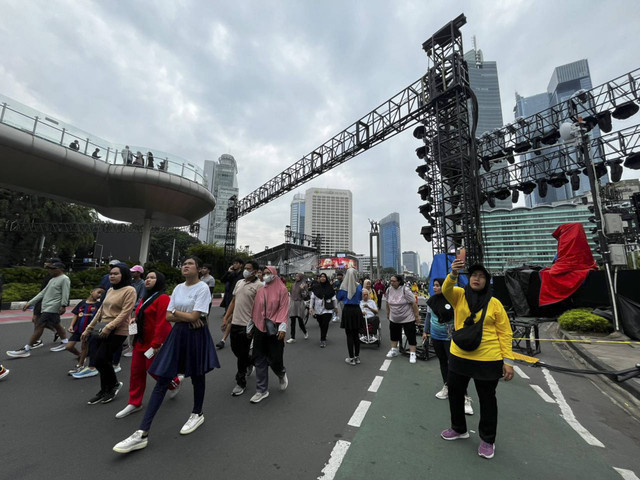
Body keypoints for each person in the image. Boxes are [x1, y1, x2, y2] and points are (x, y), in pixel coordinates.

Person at [113, 256, 219, 453]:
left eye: (190, 264)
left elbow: (196, 316)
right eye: (184, 263)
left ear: (198, 269)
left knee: (197, 375)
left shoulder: (203, 288)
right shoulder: (178, 288)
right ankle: (142, 432)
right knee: (163, 379)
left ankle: (197, 413)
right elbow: (169, 315)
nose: (185, 266)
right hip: (178, 333)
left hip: (196, 335)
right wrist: (186, 316)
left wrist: (183, 315)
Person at [440, 260, 514, 460]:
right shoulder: (459, 295)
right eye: (473, 275)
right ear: (469, 278)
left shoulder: (495, 303)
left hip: (488, 358)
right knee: (455, 393)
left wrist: (508, 360)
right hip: (459, 355)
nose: (476, 278)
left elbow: (505, 332)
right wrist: (453, 273)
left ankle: (488, 439)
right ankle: (459, 428)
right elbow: (446, 289)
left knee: (487, 400)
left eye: (481, 276)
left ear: (486, 280)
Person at [115, 271, 183, 419]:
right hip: (141, 341)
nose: (148, 280)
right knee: (136, 371)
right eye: (147, 278)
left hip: (155, 342)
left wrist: (156, 343)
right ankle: (135, 402)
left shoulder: (163, 298)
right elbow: (140, 313)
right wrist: (134, 320)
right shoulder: (145, 297)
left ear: (159, 281)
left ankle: (174, 382)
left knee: (153, 370)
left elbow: (162, 322)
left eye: (152, 278)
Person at [82, 264, 136, 405]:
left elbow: (125, 313)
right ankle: (104, 389)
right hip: (102, 328)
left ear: (123, 275)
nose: (112, 276)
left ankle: (114, 385)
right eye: (111, 273)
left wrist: (109, 327)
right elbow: (100, 311)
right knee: (100, 360)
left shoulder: (130, 290)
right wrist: (88, 328)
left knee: (101, 359)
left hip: (117, 330)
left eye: (116, 274)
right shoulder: (110, 290)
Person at [422, 278, 474, 414]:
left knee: (455, 366)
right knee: (443, 363)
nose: (435, 288)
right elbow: (428, 317)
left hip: (450, 338)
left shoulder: (453, 299)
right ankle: (447, 386)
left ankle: (465, 397)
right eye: (434, 286)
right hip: (436, 336)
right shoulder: (431, 300)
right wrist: (425, 332)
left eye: (438, 286)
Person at [7, 262, 70, 358]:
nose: (50, 271)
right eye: (49, 269)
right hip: (46, 306)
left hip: (52, 307)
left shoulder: (65, 279)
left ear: (59, 269)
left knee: (39, 325)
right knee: (56, 325)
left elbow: (66, 293)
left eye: (52, 269)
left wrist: (64, 305)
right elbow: (42, 293)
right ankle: (65, 342)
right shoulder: (52, 279)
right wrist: (30, 303)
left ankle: (27, 349)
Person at [248, 266, 289, 403]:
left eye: (268, 273)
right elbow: (256, 308)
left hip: (275, 328)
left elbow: (284, 308)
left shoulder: (282, 289)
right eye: (264, 273)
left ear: (274, 274)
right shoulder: (261, 291)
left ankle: (281, 373)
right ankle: (261, 390)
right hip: (260, 327)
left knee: (275, 359)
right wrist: (251, 325)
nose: (265, 276)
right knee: (259, 358)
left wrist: (282, 326)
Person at [221, 260, 263, 397]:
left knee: (242, 354)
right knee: (236, 350)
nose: (245, 270)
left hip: (248, 325)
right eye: (245, 268)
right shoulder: (240, 282)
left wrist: (256, 326)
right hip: (235, 322)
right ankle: (251, 362)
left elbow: (261, 308)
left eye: (248, 268)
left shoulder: (259, 286)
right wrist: (227, 317)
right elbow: (233, 301)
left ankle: (240, 382)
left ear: (255, 271)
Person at [65, 287, 104, 375]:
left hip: (88, 330)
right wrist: (71, 325)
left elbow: (100, 317)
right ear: (91, 291)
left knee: (84, 347)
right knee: (69, 346)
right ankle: (80, 356)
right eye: (98, 292)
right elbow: (76, 314)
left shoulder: (98, 305)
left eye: (101, 294)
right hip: (78, 329)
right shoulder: (82, 303)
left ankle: (80, 365)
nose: (99, 295)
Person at [384, 274, 420, 364]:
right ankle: (394, 350)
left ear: (399, 281)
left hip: (407, 317)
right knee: (394, 334)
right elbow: (387, 303)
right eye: (390, 281)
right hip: (394, 317)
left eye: (393, 281)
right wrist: (388, 313)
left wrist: (417, 317)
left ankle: (412, 353)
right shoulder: (388, 290)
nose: (391, 283)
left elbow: (414, 304)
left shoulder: (405, 290)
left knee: (410, 335)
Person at [337, 268, 363, 365]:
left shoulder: (343, 286)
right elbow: (360, 298)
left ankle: (351, 358)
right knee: (356, 335)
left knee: (349, 335)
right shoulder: (359, 286)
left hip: (347, 310)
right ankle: (357, 357)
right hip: (357, 310)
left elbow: (339, 298)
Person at [217, 258, 244, 349]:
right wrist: (228, 272)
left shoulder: (243, 275)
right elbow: (222, 280)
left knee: (232, 319)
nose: (234, 265)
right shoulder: (232, 274)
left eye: (236, 263)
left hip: (242, 300)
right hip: (231, 299)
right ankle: (223, 340)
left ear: (241, 265)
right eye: (234, 263)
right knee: (230, 319)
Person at [309, 273, 338, 348]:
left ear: (326, 278)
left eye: (324, 277)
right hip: (318, 309)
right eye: (321, 277)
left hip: (327, 309)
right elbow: (312, 298)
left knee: (325, 323)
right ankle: (324, 333)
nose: (322, 278)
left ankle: (323, 339)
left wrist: (336, 308)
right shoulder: (315, 287)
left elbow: (334, 298)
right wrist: (310, 307)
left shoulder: (329, 287)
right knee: (321, 323)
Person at [287, 273, 309, 343]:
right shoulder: (293, 284)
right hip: (293, 303)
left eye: (298, 276)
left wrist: (302, 290)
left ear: (301, 277)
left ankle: (305, 332)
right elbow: (291, 293)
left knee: (300, 321)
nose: (296, 277)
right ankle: (292, 337)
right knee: (292, 321)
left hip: (299, 303)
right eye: (296, 276)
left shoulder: (303, 284)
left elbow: (305, 295)